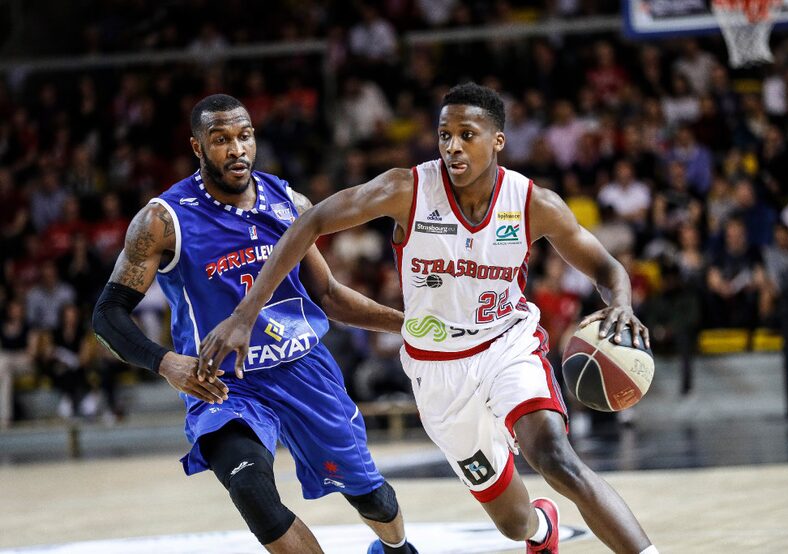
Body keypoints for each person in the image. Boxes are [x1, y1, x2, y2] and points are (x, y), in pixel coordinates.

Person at [200, 83, 658, 554]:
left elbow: (607, 268)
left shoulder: (532, 203)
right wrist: (244, 313)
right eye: (444, 135)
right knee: (512, 522)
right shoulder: (407, 189)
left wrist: (620, 301)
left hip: (509, 347)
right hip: (438, 372)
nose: (453, 146)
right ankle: (541, 530)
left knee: (556, 459)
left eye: (467, 134)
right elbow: (311, 221)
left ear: (497, 140)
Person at [92, 94, 417, 554]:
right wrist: (167, 363)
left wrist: (408, 325)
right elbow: (106, 315)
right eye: (221, 140)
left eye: (244, 137)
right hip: (225, 385)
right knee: (251, 490)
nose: (237, 149)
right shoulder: (164, 220)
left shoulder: (290, 202)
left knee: (374, 499)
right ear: (197, 147)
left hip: (305, 371)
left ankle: (398, 548)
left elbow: (327, 297)